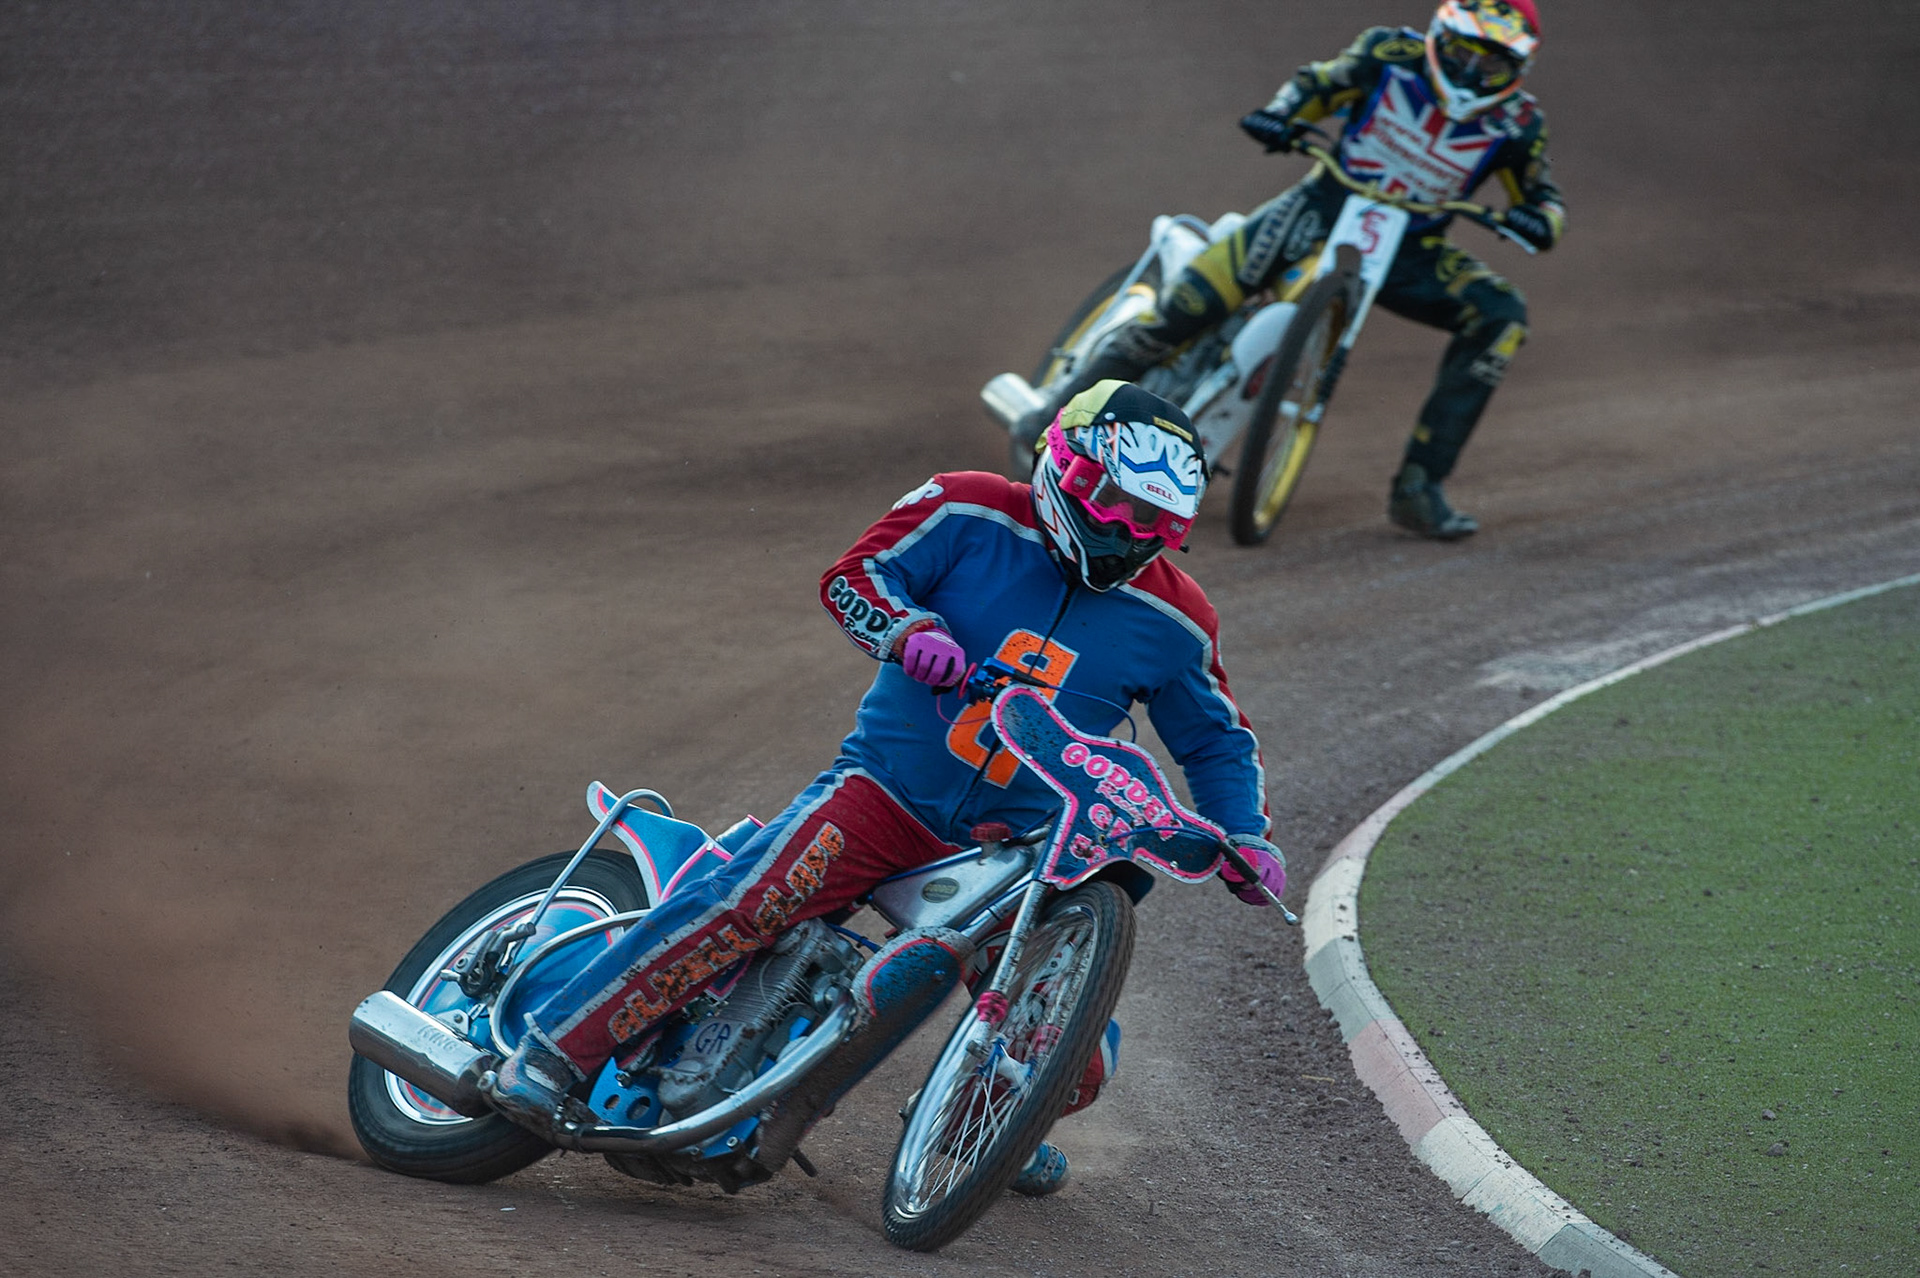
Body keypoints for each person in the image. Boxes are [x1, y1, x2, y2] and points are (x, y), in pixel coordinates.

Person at [483, 381, 1286, 1196]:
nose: (1124, 529)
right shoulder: (969, 508)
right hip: (885, 792)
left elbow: (1215, 739)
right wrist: (907, 631)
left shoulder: (1180, 619)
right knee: (753, 901)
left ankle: (974, 1126)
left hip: (1019, 852)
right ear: (1064, 463)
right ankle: (552, 1054)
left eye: (1153, 519)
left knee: (1075, 1056)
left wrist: (1245, 833)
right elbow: (855, 576)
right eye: (1112, 499)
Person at [1012, 0, 1564, 540]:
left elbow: (1545, 198)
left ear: (1519, 68)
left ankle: (1420, 486)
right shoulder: (1387, 55)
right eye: (1465, 53)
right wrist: (1282, 115)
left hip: (1414, 249)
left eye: (1492, 64)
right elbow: (1315, 85)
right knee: (1185, 307)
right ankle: (1051, 416)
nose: (1472, 72)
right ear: (1440, 38)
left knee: (1503, 317)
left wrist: (1540, 220)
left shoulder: (1519, 125)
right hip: (1315, 208)